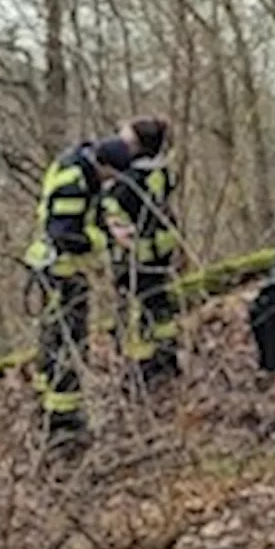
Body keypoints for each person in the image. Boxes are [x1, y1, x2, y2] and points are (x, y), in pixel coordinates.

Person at [26, 134, 134, 440]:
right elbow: (65, 235)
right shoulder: (74, 180)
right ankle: (62, 421)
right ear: (103, 165)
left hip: (66, 272)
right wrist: (106, 239)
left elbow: (88, 213)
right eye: (111, 176)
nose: (111, 183)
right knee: (66, 345)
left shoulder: (84, 171)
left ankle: (52, 410)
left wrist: (107, 225)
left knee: (57, 343)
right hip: (61, 273)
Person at [106, 114, 182, 382]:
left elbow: (111, 209)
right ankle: (167, 354)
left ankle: (144, 364)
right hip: (161, 247)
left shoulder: (131, 180)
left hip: (138, 253)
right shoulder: (162, 172)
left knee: (138, 308)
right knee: (159, 303)